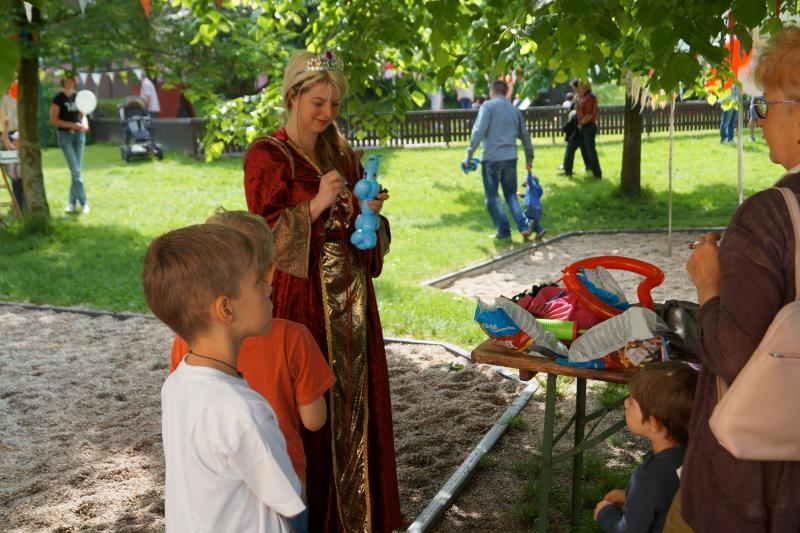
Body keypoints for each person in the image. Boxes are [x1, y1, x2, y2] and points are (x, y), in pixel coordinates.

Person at [243, 50, 401, 532]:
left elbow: (365, 234)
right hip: (302, 302)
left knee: (354, 406)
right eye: (318, 102)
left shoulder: (342, 154)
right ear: (292, 96)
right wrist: (316, 204)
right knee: (311, 409)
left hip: (352, 303)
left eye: (334, 103)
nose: (327, 112)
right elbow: (262, 238)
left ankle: (358, 520)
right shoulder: (267, 156)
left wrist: (370, 214)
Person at [673, 26, 800, 532]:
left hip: (762, 481)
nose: (758, 120)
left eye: (765, 105)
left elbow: (730, 354)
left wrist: (709, 282)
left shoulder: (768, 217)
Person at [168, 208, 336, 533]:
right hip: (281, 498)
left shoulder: (184, 341)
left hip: (208, 497)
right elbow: (314, 420)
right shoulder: (293, 339)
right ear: (269, 274)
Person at [142, 223, 305, 532]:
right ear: (226, 308)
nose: (269, 287)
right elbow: (290, 499)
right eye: (257, 281)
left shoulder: (176, 384)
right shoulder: (245, 410)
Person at [594, 363, 697, 532]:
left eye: (631, 402)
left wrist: (605, 513)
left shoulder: (649, 477)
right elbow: (667, 499)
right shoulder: (694, 456)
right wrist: (633, 498)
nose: (625, 402)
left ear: (653, 423)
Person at [464, 78, 534, 240]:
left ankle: (503, 231)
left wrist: (469, 154)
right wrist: (529, 158)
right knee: (511, 195)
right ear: (506, 92)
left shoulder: (487, 107)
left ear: (492, 91)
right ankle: (523, 226)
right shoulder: (514, 110)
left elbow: (478, 131)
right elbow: (525, 136)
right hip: (511, 157)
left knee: (492, 196)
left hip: (491, 158)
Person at [50, 75, 89, 214]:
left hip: (79, 136)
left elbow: (83, 115)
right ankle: (84, 203)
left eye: (71, 80)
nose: (69, 83)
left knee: (76, 171)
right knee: (76, 171)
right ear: (62, 82)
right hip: (65, 137)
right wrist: (72, 125)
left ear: (74, 82)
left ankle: (71, 204)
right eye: (66, 81)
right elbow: (54, 120)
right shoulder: (58, 98)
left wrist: (84, 125)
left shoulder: (78, 96)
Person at [562, 80, 602, 179]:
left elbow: (589, 114)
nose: (579, 87)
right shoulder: (583, 96)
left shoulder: (590, 97)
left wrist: (581, 123)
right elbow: (577, 109)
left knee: (591, 151)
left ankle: (597, 174)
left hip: (588, 127)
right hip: (581, 126)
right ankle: (567, 171)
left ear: (586, 86)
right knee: (571, 145)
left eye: (580, 85)